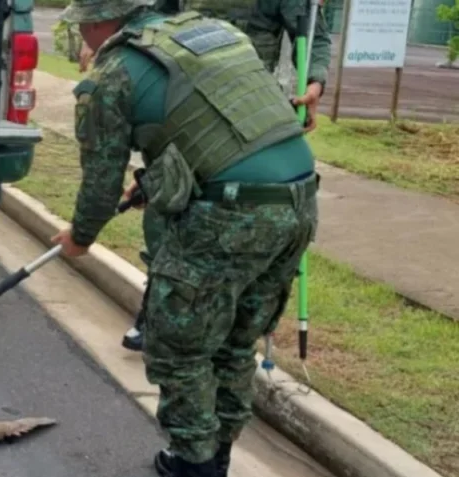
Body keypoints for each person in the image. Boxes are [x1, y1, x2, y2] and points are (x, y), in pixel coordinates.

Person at [50, 0, 319, 477]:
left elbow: (100, 186)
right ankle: (208, 467)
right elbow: (218, 122)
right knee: (234, 344)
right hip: (298, 203)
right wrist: (157, 177)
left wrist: (79, 239)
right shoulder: (207, 33)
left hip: (231, 215)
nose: (80, 35)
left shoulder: (112, 75)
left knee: (180, 349)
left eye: (81, 24)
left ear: (99, 23)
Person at [106, 0, 330, 352]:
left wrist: (315, 83)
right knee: (162, 211)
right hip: (184, 108)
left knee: (229, 221)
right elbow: (154, 19)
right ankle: (157, 311)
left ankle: (225, 327)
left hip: (245, 116)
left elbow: (313, 35)